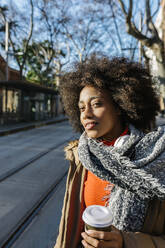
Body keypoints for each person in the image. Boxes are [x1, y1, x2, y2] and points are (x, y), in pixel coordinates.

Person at [54, 55, 165, 248]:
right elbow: (68, 227)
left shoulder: (154, 159)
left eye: (96, 104)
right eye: (81, 108)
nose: (86, 114)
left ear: (119, 105)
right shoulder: (81, 157)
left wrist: (125, 242)